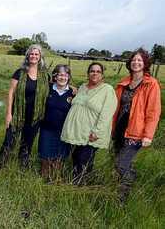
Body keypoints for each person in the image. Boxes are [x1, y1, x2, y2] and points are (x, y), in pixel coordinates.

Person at [0, 44, 50, 177]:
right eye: (31, 54)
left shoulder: (45, 76)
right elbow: (11, 92)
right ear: (28, 56)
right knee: (8, 144)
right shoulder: (20, 72)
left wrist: (73, 88)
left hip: (34, 118)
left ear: (40, 57)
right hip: (17, 116)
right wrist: (8, 114)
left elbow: (58, 84)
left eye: (36, 54)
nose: (34, 56)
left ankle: (22, 171)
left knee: (26, 146)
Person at [112, 48, 161, 203]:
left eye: (139, 60)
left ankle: (122, 199)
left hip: (136, 132)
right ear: (129, 63)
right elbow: (115, 107)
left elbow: (153, 111)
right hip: (119, 129)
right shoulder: (123, 83)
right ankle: (117, 190)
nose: (136, 62)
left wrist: (148, 135)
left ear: (145, 63)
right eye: (134, 60)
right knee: (117, 162)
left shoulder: (151, 84)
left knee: (122, 164)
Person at [61, 62, 117, 185]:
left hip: (91, 134)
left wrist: (97, 131)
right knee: (76, 157)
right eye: (92, 71)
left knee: (83, 159)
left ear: (102, 75)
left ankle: (80, 186)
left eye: (98, 71)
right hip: (77, 133)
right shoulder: (82, 87)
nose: (95, 73)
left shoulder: (107, 90)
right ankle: (76, 182)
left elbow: (107, 113)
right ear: (88, 73)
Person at [38, 64, 74, 181]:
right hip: (46, 130)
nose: (62, 77)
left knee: (59, 159)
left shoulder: (73, 93)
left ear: (68, 77)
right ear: (55, 76)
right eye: (60, 75)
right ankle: (43, 181)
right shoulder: (47, 88)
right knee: (45, 157)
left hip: (64, 131)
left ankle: (55, 180)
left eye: (65, 75)